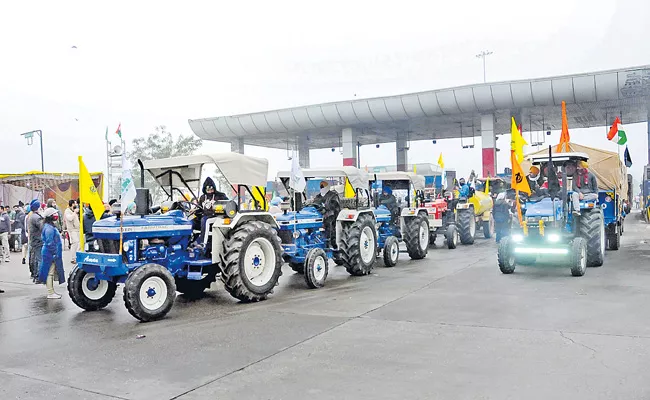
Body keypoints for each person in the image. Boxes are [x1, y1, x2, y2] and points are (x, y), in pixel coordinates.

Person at [38, 208, 66, 299]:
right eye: (54, 214)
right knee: (49, 273)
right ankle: (50, 293)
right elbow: (50, 243)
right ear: (50, 216)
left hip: (50, 252)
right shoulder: (49, 228)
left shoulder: (48, 226)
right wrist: (54, 253)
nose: (56, 215)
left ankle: (51, 292)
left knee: (50, 272)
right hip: (50, 253)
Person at [198, 177, 227, 244]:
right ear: (205, 189)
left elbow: (227, 204)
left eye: (211, 189)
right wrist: (194, 210)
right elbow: (199, 208)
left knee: (204, 220)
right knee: (192, 222)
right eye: (208, 189)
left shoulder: (220, 196)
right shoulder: (202, 197)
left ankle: (202, 243)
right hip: (204, 215)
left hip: (215, 215)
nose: (210, 191)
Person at [312, 181, 341, 247]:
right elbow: (314, 205)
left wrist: (325, 211)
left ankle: (330, 242)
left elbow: (335, 208)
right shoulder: (318, 196)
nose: (322, 187)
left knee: (328, 221)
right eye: (321, 186)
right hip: (318, 214)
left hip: (331, 215)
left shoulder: (333, 196)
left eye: (323, 186)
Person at [28, 200, 44, 282]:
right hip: (38, 241)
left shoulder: (32, 216)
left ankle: (35, 275)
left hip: (34, 240)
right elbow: (42, 227)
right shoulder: (37, 218)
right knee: (40, 259)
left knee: (35, 259)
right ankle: (39, 277)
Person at [64, 200, 80, 264]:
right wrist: (74, 213)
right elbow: (70, 218)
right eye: (74, 204)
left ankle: (76, 257)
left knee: (78, 244)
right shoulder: (67, 211)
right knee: (74, 243)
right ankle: (73, 258)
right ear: (72, 204)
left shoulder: (72, 211)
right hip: (72, 230)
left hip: (77, 229)